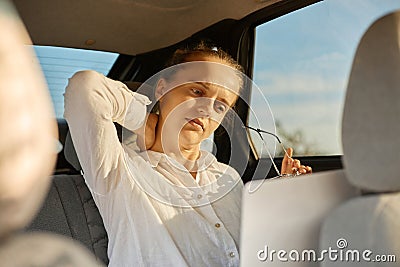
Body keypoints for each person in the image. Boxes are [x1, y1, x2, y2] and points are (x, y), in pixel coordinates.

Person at [64, 41, 312, 267]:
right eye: (197, 91)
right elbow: (86, 87)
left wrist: (283, 199)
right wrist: (146, 122)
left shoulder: (227, 177)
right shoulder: (118, 170)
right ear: (162, 88)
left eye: (220, 105)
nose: (207, 108)